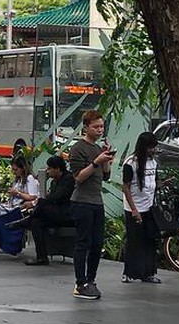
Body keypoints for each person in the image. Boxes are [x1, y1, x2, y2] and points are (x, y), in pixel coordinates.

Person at [68, 110, 114, 300]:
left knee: (96, 244)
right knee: (83, 243)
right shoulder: (78, 148)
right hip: (82, 202)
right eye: (95, 127)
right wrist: (95, 162)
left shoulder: (98, 148)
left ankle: (91, 279)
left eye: (102, 126)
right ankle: (80, 283)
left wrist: (107, 160)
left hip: (97, 201)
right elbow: (78, 178)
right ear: (86, 128)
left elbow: (106, 176)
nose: (99, 130)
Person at [6, 155, 76, 265]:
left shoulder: (68, 179)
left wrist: (37, 202)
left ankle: (24, 221)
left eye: (50, 169)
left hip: (67, 214)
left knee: (42, 203)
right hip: (55, 213)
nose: (48, 171)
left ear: (57, 168)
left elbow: (56, 197)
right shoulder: (54, 182)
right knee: (36, 223)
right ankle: (42, 257)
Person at [121, 132, 161, 284]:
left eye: (154, 147)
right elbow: (126, 187)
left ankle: (148, 272)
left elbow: (152, 184)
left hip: (149, 206)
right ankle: (129, 272)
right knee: (134, 240)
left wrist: (162, 185)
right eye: (150, 147)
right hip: (135, 206)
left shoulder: (153, 162)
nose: (153, 150)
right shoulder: (131, 163)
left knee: (149, 241)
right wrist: (134, 210)